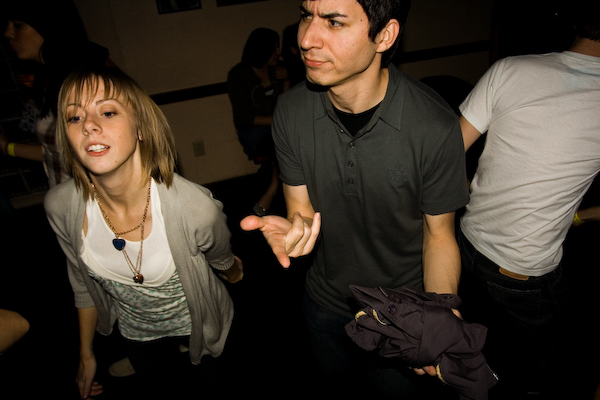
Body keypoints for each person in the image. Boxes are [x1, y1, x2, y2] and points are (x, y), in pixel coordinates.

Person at [241, 0, 469, 397]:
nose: (306, 39)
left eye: (334, 22)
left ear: (385, 35)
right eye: (307, 15)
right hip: (324, 301)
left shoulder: (434, 126)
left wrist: (439, 315)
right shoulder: (291, 110)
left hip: (399, 309)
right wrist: (296, 230)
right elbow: (301, 209)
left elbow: (439, 237)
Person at [44, 66, 243, 399]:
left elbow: (223, 259)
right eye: (74, 118)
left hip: (202, 324)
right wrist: (86, 354)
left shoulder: (195, 208)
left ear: (140, 126)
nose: (89, 125)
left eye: (107, 112)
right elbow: (81, 283)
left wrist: (234, 273)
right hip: (136, 333)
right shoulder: (61, 206)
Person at [457, 3, 600, 398]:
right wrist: (581, 217)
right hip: (522, 272)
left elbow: (444, 157)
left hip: (466, 243)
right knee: (541, 365)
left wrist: (474, 190)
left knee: (477, 338)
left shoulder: (510, 68)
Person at [0, 0, 111, 187]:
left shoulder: (81, 79)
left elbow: (96, 150)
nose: (8, 33)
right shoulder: (48, 77)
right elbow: (55, 151)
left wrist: (8, 147)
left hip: (89, 196)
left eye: (18, 25)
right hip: (68, 195)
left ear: (47, 24)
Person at [227, 27, 289, 216]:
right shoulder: (239, 74)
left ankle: (283, 188)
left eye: (278, 47)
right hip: (254, 132)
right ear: (261, 50)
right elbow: (244, 117)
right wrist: (278, 122)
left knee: (290, 139)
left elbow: (288, 106)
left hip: (280, 128)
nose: (278, 53)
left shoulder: (278, 69)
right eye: (274, 48)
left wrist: (287, 80)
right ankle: (275, 186)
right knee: (282, 141)